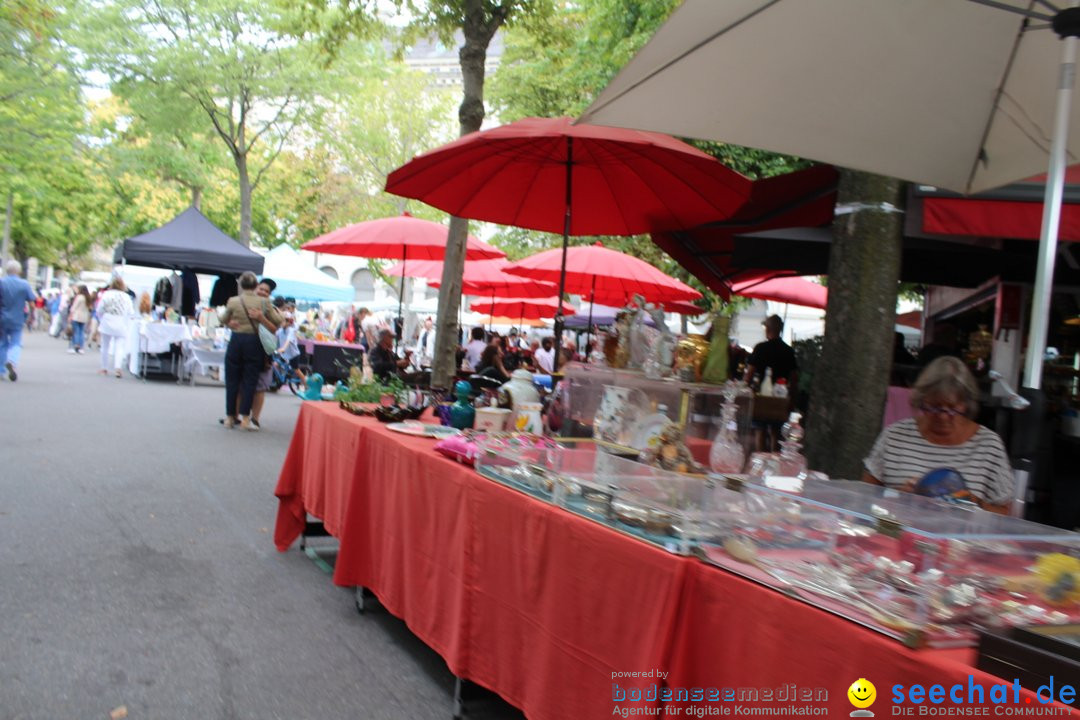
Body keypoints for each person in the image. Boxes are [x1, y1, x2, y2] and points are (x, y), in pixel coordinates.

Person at [862, 356, 1014, 513]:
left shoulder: (988, 445)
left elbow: (1006, 513)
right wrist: (898, 497)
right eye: (934, 408)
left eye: (951, 409)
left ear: (965, 404)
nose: (942, 416)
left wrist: (972, 502)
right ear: (921, 402)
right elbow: (865, 497)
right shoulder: (894, 437)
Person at [220, 271, 282, 431]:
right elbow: (278, 321)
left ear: (241, 285)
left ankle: (229, 417)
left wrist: (229, 323)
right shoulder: (264, 303)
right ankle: (246, 418)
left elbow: (222, 319)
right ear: (255, 286)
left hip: (236, 341)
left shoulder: (233, 301)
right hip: (254, 343)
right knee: (250, 381)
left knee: (232, 380)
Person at [0, 260, 38, 381]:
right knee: (15, 342)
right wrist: (32, 316)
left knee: (2, 343)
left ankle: (1, 370)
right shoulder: (24, 284)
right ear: (19, 271)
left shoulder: (1, 282)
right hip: (18, 318)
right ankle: (12, 361)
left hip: (2, 318)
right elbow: (32, 303)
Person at [744, 314, 797, 389]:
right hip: (781, 395)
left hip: (760, 394)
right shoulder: (789, 351)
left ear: (767, 329)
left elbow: (749, 375)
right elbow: (793, 379)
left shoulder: (760, 348)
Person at [97, 276, 134, 378]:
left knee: (105, 346)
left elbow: (99, 309)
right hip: (121, 322)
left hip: (107, 321)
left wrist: (101, 317)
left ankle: (104, 368)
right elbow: (131, 312)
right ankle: (118, 367)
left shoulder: (106, 294)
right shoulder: (126, 297)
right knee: (119, 346)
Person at [67, 285, 91, 355]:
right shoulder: (88, 298)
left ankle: (75, 346)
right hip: (84, 317)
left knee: (76, 331)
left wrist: (70, 316)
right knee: (81, 332)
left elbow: (74, 307)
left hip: (77, 316)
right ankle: (81, 347)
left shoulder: (79, 297)